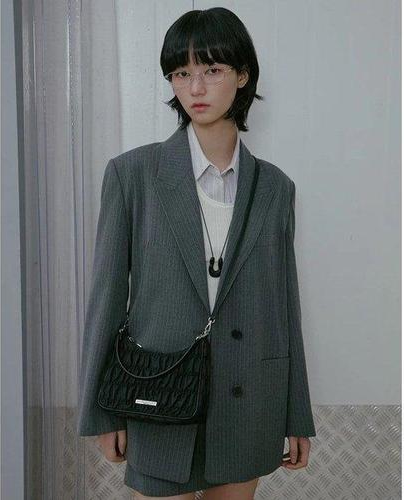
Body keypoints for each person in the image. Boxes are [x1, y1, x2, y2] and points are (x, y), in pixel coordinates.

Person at [77, 7, 316, 500]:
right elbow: (106, 300)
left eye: (212, 70)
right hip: (156, 395)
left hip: (249, 402)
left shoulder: (275, 188)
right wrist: (102, 412)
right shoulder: (132, 175)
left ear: (242, 75)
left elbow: (285, 307)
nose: (196, 88)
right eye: (182, 73)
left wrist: (297, 414)